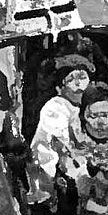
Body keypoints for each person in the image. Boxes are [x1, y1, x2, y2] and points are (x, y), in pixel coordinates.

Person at [28, 54, 98, 202]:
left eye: (82, 77)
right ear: (59, 88)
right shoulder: (55, 106)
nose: (78, 84)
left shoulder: (88, 107)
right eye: (71, 80)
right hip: (50, 174)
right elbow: (64, 146)